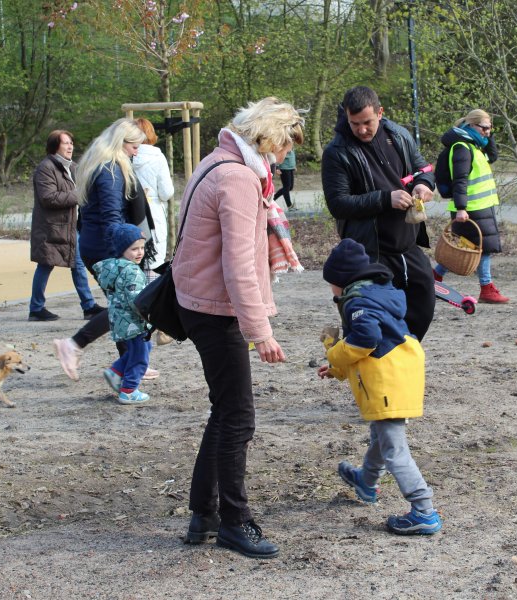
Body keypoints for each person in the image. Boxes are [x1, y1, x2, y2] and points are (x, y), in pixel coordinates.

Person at [173, 97, 303, 559]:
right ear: (268, 137)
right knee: (239, 417)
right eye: (287, 143)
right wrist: (259, 330)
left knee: (225, 411)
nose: (287, 154)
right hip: (215, 308)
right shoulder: (238, 177)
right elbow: (239, 265)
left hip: (200, 301)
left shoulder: (218, 161)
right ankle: (234, 520)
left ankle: (203, 513)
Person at [317, 238, 442, 535]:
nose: (331, 290)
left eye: (331, 283)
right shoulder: (377, 294)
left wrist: (332, 352)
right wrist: (336, 369)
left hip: (388, 381)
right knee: (380, 437)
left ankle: (424, 510)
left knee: (394, 448)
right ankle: (366, 482)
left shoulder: (358, 302)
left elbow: (365, 341)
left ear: (342, 280)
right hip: (400, 372)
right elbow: (368, 345)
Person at [321, 85, 436, 341]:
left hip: (407, 244)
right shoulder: (337, 152)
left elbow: (423, 169)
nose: (361, 129)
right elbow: (338, 204)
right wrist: (385, 199)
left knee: (423, 306)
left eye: (367, 122)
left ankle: (404, 358)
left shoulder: (399, 135)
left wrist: (424, 184)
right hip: (369, 251)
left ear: (380, 112)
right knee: (372, 319)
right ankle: (374, 370)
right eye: (354, 123)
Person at [52, 118, 160, 382]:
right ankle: (75, 344)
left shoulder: (97, 165)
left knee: (125, 304)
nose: (137, 151)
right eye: (134, 146)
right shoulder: (110, 170)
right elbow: (112, 216)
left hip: (96, 243)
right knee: (127, 306)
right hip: (107, 246)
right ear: (120, 143)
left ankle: (131, 363)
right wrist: (129, 247)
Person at [433, 109, 509, 303]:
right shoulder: (462, 147)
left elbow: (492, 156)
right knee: (481, 247)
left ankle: (434, 277)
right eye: (484, 128)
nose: (487, 132)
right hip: (471, 208)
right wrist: (461, 207)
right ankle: (486, 288)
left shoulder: (474, 146)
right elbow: (460, 180)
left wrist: (488, 136)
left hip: (478, 207)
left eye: (490, 128)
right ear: (471, 125)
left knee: (464, 246)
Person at [28, 130, 103, 322]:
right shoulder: (45, 168)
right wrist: (78, 195)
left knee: (77, 265)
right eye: (65, 143)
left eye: (71, 143)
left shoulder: (73, 168)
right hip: (51, 228)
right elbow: (48, 198)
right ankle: (36, 308)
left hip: (69, 228)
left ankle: (88, 306)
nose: (70, 147)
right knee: (45, 265)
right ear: (55, 146)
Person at [93, 224, 152, 405]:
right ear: (122, 249)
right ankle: (128, 390)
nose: (139, 252)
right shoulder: (131, 271)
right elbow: (137, 300)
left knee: (139, 350)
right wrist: (149, 314)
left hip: (120, 321)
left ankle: (116, 371)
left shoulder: (116, 268)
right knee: (141, 356)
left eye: (142, 248)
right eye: (134, 249)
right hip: (134, 321)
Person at [132, 118, 174, 278]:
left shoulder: (124, 156)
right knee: (154, 262)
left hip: (131, 214)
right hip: (153, 213)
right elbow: (167, 192)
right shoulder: (157, 157)